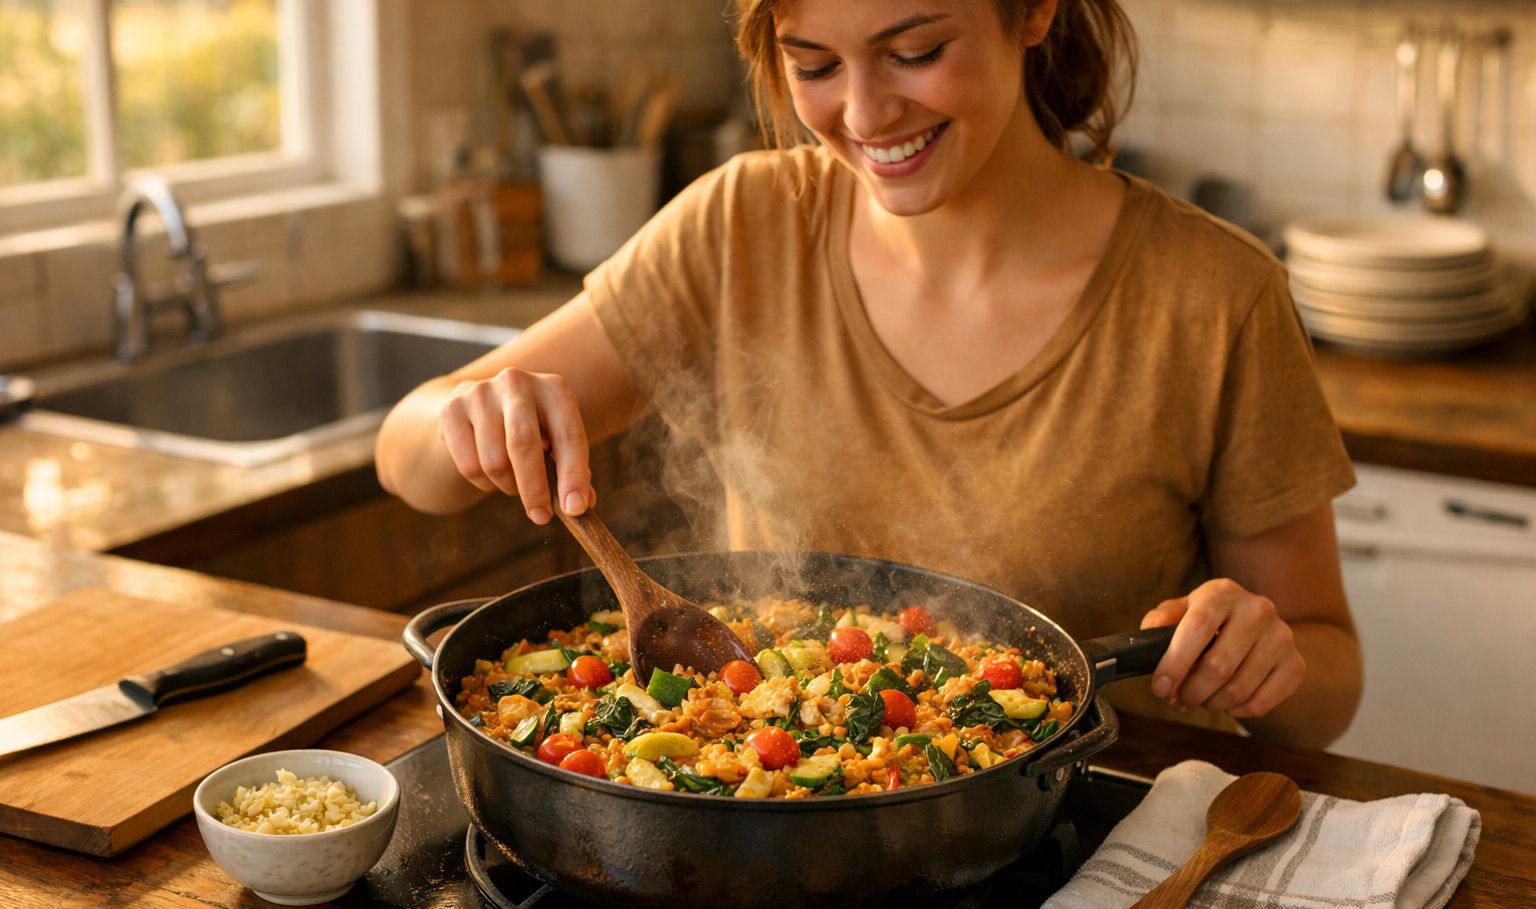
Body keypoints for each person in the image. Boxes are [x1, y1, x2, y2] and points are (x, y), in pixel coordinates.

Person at [377, 0, 1363, 749]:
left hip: (1087, 852)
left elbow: (1329, 680)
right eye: (814, 65)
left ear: (1031, 11)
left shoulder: (1215, 294)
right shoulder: (741, 230)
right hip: (764, 865)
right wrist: (468, 417)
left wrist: (1260, 658)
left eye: (916, 52)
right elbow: (405, 460)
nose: (863, 113)